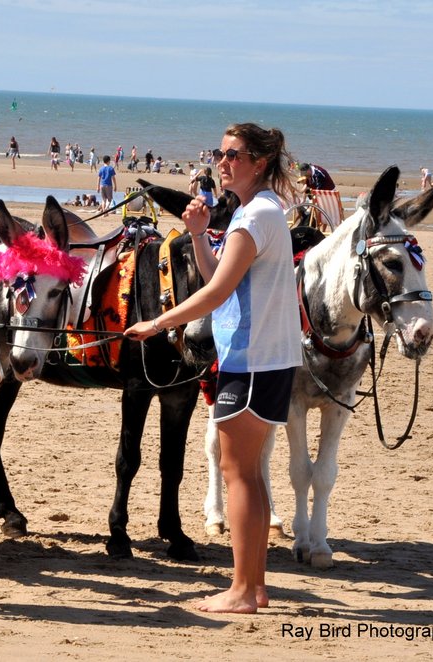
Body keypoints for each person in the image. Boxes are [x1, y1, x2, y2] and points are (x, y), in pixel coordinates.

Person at [126, 122, 301, 614]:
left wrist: (158, 322)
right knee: (247, 473)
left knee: (238, 473)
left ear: (259, 163)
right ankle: (256, 586)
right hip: (261, 360)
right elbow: (215, 275)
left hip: (253, 361)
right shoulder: (258, 212)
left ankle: (243, 591)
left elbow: (216, 294)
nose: (222, 162)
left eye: (234, 154)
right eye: (220, 153)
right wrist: (200, 235)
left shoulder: (255, 217)